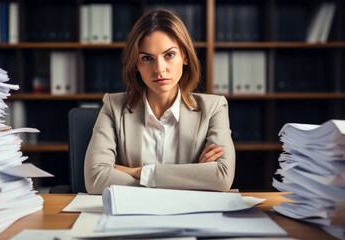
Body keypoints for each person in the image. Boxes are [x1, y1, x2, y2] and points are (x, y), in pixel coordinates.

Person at [84, 8, 235, 194]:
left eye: (169, 55)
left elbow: (221, 177)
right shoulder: (113, 107)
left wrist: (141, 172)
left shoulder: (213, 108)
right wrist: (193, 177)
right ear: (136, 64)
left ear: (185, 56)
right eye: (147, 58)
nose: (159, 69)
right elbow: (95, 179)